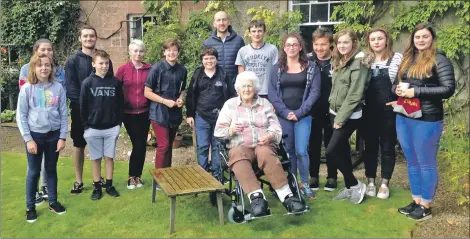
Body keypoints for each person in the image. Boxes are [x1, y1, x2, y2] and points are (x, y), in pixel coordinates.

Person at [214, 71, 308, 217]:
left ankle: (287, 197)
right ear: (238, 89)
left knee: (264, 152)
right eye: (243, 86)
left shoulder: (264, 104)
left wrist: (270, 136)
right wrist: (230, 130)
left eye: (250, 86)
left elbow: (276, 127)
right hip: (240, 147)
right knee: (237, 154)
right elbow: (218, 131)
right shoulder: (230, 105)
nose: (247, 89)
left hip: (263, 145)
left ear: (255, 88)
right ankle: (257, 199)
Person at [388, 23, 455, 221]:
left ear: (432, 39)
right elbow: (394, 85)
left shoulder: (439, 59)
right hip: (404, 115)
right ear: (413, 39)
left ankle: (426, 205)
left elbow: (448, 89)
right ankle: (416, 201)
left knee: (426, 163)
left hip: (427, 118)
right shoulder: (408, 58)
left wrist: (416, 92)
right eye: (417, 37)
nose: (421, 40)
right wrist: (398, 91)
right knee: (412, 162)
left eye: (425, 37)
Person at [268, 33, 321, 200]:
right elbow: (272, 93)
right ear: (284, 48)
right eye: (288, 44)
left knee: (301, 151)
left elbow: (315, 91)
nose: (291, 47)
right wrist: (284, 112)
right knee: (289, 151)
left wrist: (299, 112)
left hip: (303, 115)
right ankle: (291, 183)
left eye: (294, 44)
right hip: (283, 116)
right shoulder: (276, 68)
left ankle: (304, 184)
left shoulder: (311, 67)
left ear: (300, 47)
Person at [17, 53, 68, 223]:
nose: (44, 68)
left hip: (53, 136)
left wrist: (62, 137)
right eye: (40, 65)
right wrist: (28, 139)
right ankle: (30, 207)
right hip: (35, 136)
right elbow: (21, 116)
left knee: (51, 169)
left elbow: (63, 114)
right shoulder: (27, 89)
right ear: (33, 68)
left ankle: (53, 202)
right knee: (33, 172)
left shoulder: (58, 88)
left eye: (47, 65)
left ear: (51, 67)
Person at [66, 25, 114, 194]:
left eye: (92, 36)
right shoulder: (72, 61)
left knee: (100, 147)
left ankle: (99, 179)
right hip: (81, 113)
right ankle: (79, 181)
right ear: (80, 39)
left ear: (96, 38)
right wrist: (86, 109)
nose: (89, 39)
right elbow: (71, 89)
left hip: (102, 114)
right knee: (79, 145)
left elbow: (110, 85)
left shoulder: (104, 59)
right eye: (85, 36)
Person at [327, 28, 371, 205]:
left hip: (349, 115)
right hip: (334, 111)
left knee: (331, 151)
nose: (342, 45)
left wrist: (340, 119)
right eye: (339, 42)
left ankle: (354, 183)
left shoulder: (359, 63)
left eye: (346, 42)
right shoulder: (340, 60)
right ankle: (349, 186)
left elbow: (355, 95)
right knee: (342, 149)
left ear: (354, 42)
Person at [361, 27, 403, 199]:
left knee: (387, 147)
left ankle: (385, 183)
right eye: (373, 39)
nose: (377, 42)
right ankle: (370, 181)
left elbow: (404, 81)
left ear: (387, 40)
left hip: (388, 110)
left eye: (380, 38)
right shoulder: (363, 60)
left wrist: (400, 101)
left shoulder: (397, 58)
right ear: (369, 42)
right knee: (369, 147)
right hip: (368, 110)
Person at [185, 47, 236, 181]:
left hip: (221, 118)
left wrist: (232, 116)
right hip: (201, 116)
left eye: (211, 58)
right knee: (202, 146)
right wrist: (190, 115)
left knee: (217, 147)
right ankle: (202, 176)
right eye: (206, 58)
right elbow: (190, 95)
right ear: (202, 60)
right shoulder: (197, 75)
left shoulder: (223, 74)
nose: (209, 61)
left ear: (216, 59)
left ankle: (217, 175)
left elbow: (231, 95)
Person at [80, 50, 123, 200]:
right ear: (93, 64)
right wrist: (86, 127)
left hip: (111, 127)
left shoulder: (116, 82)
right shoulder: (87, 83)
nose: (104, 66)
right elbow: (82, 107)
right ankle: (97, 187)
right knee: (96, 158)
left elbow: (120, 105)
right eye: (101, 63)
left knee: (109, 157)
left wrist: (118, 124)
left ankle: (109, 185)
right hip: (93, 128)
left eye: (106, 63)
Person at [144, 39, 187, 173]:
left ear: (178, 52)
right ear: (164, 52)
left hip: (174, 113)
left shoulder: (182, 70)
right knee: (163, 145)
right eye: (168, 50)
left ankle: (168, 175)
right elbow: (147, 92)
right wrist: (164, 101)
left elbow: (182, 89)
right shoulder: (156, 68)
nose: (171, 53)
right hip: (159, 112)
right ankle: (159, 178)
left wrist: (180, 99)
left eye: (174, 50)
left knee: (169, 146)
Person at [115, 39, 152, 189]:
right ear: (130, 52)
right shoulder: (122, 69)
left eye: (141, 51)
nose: (138, 53)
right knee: (137, 143)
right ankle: (131, 176)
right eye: (135, 51)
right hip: (128, 113)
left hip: (145, 111)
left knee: (141, 145)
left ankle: (138, 176)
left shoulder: (150, 69)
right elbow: (116, 90)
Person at [306, 27, 337, 191]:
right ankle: (314, 176)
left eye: (323, 44)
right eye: (316, 44)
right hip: (313, 109)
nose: (319, 48)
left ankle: (332, 176)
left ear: (330, 44)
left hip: (332, 109)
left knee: (332, 144)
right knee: (313, 144)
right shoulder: (307, 60)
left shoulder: (338, 60)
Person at [235, 20, 278, 98]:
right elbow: (241, 75)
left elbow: (276, 72)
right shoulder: (243, 51)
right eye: (253, 31)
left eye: (259, 31)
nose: (257, 34)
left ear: (264, 32)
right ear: (249, 33)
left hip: (267, 92)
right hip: (249, 92)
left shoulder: (272, 49)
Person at [203, 11, 245, 84]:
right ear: (214, 24)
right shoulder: (207, 43)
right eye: (218, 20)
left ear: (229, 22)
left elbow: (243, 64)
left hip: (235, 85)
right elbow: (204, 66)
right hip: (214, 85)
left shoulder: (238, 41)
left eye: (224, 20)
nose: (221, 23)